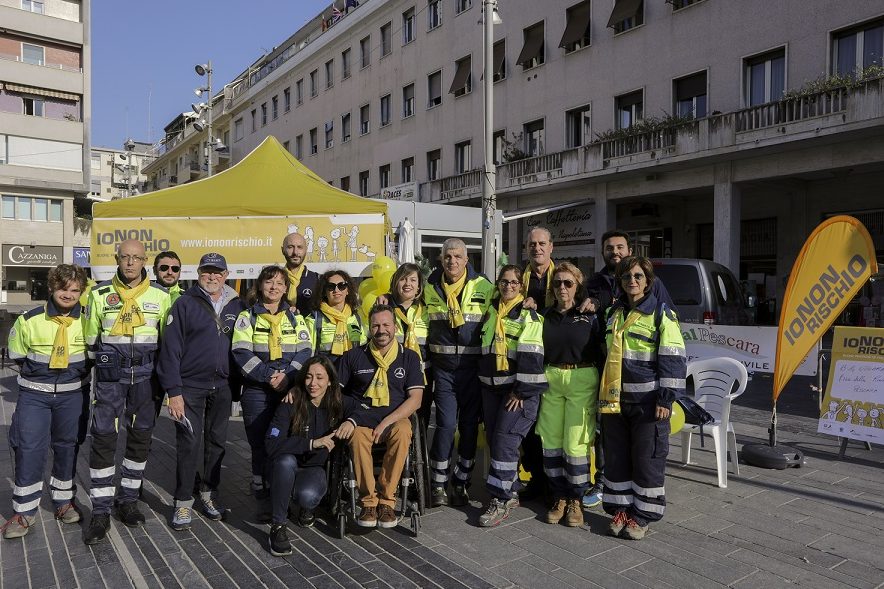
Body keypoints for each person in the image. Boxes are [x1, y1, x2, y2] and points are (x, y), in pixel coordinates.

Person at [83, 240, 171, 545]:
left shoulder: (162, 296)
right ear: (117, 259)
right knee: (104, 440)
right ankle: (101, 511)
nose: (131, 263)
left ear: (145, 260)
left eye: (136, 258)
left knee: (140, 439)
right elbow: (89, 340)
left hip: (146, 378)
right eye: (125, 258)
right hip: (110, 379)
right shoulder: (98, 294)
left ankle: (128, 500)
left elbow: (168, 342)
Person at [582, 230, 676, 510]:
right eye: (609, 248)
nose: (615, 252)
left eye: (620, 247)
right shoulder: (599, 290)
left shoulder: (657, 303)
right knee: (613, 445)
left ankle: (643, 510)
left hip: (645, 394)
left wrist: (666, 395)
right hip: (610, 383)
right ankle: (610, 495)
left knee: (645, 453)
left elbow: (670, 346)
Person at [156, 253, 246, 531]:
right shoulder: (184, 304)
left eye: (218, 272)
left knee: (217, 442)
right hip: (190, 387)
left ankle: (208, 493)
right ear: (198, 273)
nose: (212, 276)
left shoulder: (238, 305)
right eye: (207, 271)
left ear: (226, 274)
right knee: (188, 443)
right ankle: (183, 501)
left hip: (223, 386)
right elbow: (170, 351)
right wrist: (174, 392)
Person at [600, 256, 686, 541]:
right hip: (614, 402)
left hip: (648, 404)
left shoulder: (661, 314)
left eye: (638, 276)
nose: (632, 281)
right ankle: (621, 510)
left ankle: (643, 515)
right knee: (617, 459)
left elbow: (673, 360)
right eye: (626, 277)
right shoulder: (613, 314)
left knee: (647, 460)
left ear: (648, 281)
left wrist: (665, 399)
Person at [3, 264, 91, 539]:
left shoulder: (89, 320)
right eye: (64, 288)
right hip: (34, 396)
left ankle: (63, 503)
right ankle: (24, 511)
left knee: (67, 447)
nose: (69, 294)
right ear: (52, 287)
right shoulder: (29, 320)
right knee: (29, 448)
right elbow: (17, 355)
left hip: (72, 395)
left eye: (75, 290)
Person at [231, 265, 312, 519]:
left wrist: (288, 377)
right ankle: (262, 491)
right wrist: (269, 377)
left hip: (288, 388)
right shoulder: (247, 317)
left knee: (288, 439)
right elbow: (241, 352)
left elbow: (306, 350)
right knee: (259, 443)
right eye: (269, 282)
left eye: (279, 283)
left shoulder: (295, 317)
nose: (274, 287)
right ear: (260, 286)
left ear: (286, 288)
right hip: (257, 390)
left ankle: (287, 489)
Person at [336, 305, 424, 528]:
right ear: (369, 328)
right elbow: (335, 395)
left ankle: (387, 500)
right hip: (363, 419)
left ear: (395, 327)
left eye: (386, 325)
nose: (381, 330)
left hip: (394, 419)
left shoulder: (409, 357)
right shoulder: (353, 356)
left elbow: (416, 399)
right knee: (355, 436)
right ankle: (368, 502)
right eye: (376, 325)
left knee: (404, 431)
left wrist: (387, 421)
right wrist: (351, 417)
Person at [265, 356, 361, 555]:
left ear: (330, 381)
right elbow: (271, 444)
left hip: (314, 467)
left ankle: (304, 506)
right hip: (288, 463)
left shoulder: (338, 402)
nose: (313, 383)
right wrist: (311, 443)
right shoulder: (290, 401)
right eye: (308, 377)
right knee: (284, 461)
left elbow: (366, 410)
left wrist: (351, 421)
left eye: (319, 377)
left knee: (307, 497)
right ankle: (278, 526)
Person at [424, 238, 493, 507]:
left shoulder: (485, 286)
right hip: (444, 372)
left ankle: (461, 481)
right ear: (441, 260)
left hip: (472, 370)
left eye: (457, 256)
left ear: (467, 260)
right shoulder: (428, 287)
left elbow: (507, 306)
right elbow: (405, 300)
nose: (452, 261)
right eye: (447, 256)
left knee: (468, 427)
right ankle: (438, 483)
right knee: (444, 425)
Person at [477, 265, 546, 527]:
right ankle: (512, 487)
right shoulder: (491, 312)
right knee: (496, 441)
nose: (509, 287)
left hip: (517, 393)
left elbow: (532, 356)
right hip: (491, 390)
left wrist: (521, 391)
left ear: (522, 287)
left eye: (514, 283)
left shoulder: (529, 316)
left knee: (505, 440)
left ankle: (501, 498)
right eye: (504, 282)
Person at [536, 262, 604, 528]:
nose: (562, 287)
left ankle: (576, 499)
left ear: (577, 286)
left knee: (576, 443)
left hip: (581, 377)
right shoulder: (544, 315)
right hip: (552, 377)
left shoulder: (589, 314)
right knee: (551, 439)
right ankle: (559, 496)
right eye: (557, 283)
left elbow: (603, 349)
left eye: (568, 283)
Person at [518, 226, 556, 501]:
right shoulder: (519, 278)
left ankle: (555, 482)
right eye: (532, 244)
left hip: (556, 359)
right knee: (530, 425)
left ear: (551, 247)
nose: (537, 248)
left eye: (542, 243)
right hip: (529, 360)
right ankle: (535, 478)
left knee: (552, 425)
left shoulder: (564, 276)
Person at [383, 263, 431, 428]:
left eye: (413, 280)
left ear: (419, 286)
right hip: (393, 373)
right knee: (396, 417)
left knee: (421, 419)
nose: (407, 284)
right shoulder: (385, 307)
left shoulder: (427, 309)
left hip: (424, 373)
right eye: (403, 279)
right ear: (396, 282)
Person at [305, 270, 366, 367]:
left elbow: (361, 346)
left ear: (347, 290)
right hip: (326, 372)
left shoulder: (355, 317)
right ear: (324, 292)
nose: (336, 290)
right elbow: (308, 353)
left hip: (351, 370)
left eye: (341, 285)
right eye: (331, 286)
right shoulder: (314, 319)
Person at [281, 232, 319, 317]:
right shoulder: (275, 279)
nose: (295, 252)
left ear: (306, 250)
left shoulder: (317, 279)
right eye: (290, 247)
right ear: (282, 250)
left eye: (299, 247)